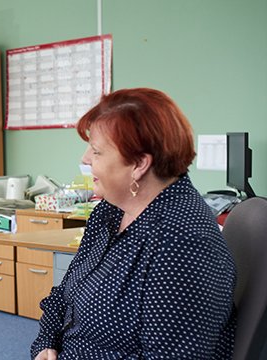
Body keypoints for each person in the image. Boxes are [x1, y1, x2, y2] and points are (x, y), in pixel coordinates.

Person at [31, 88, 236, 359]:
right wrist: (46, 343)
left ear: (139, 163)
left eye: (96, 151)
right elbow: (65, 294)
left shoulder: (182, 244)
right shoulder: (109, 212)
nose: (85, 159)